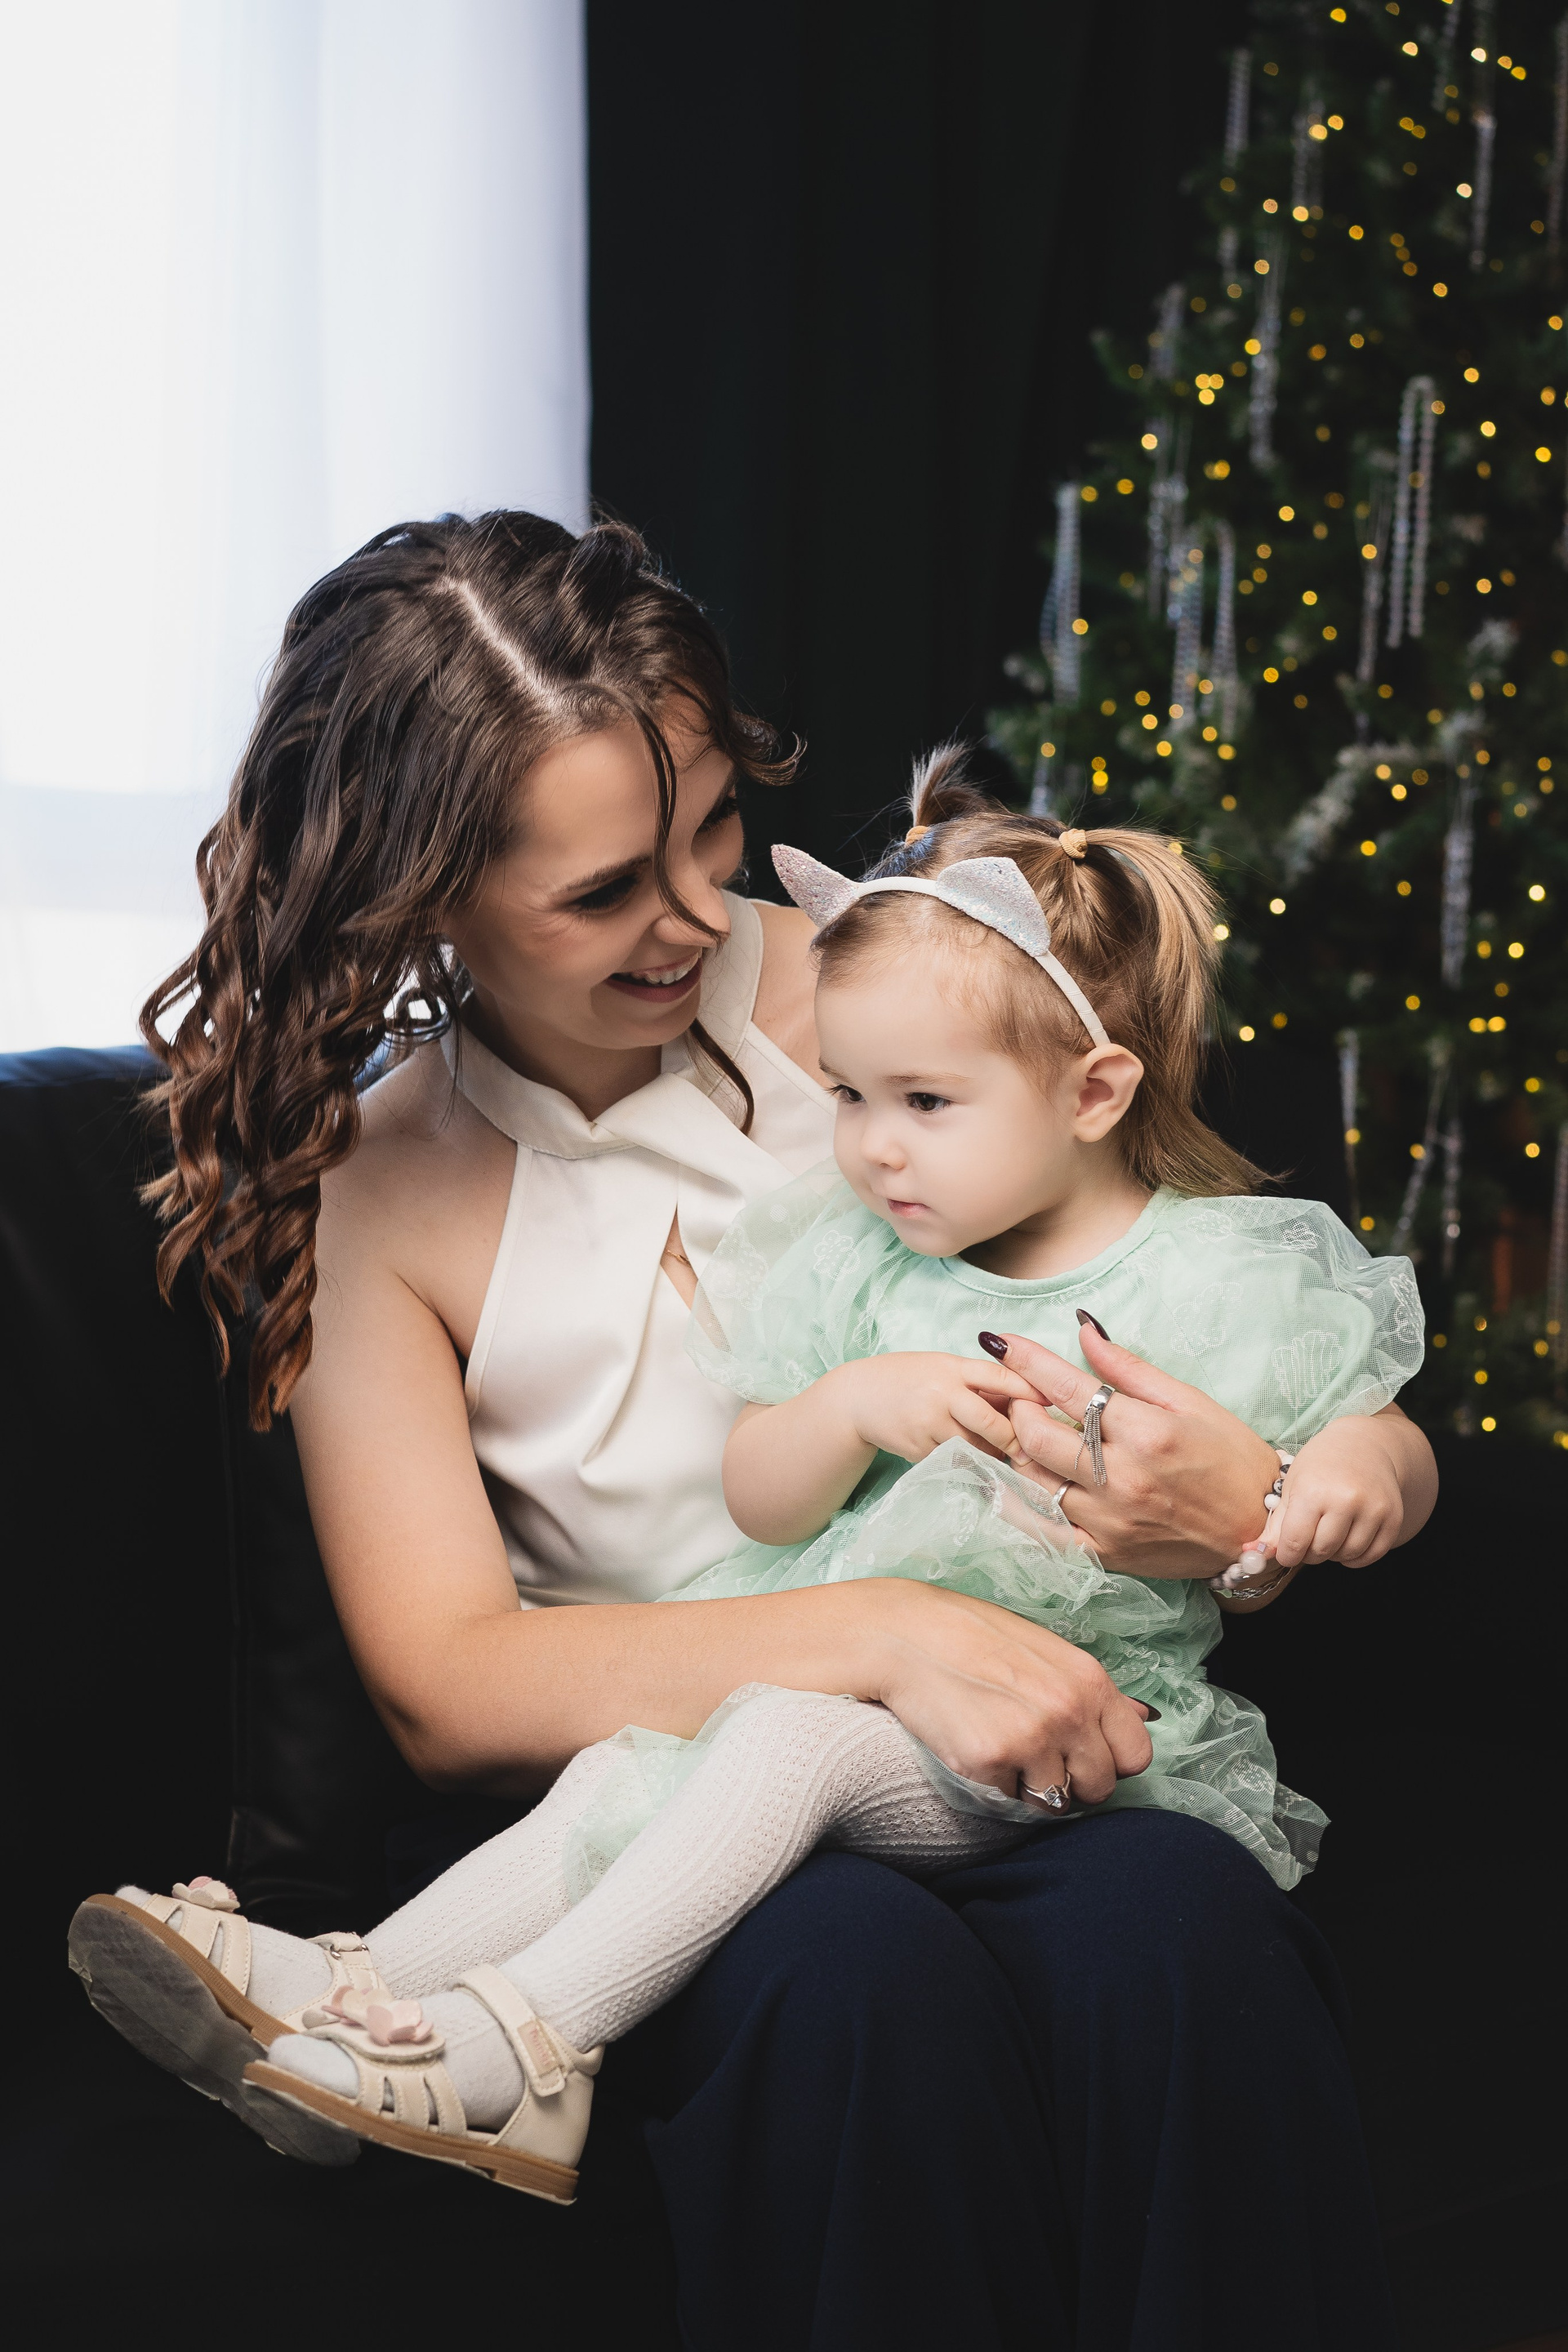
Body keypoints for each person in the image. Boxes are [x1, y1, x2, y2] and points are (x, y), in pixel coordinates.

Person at [69, 513, 1432, 2348]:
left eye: (712, 828)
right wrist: (879, 1634)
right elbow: (449, 1685)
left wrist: (1251, 1507)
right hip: (665, 1787)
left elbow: (1199, 1301)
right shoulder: (375, 1193)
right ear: (420, 896)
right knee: (850, 1984)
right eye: (604, 892)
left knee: (1180, 1931)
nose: (699, 916)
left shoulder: (908, 997)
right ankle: (420, 2015)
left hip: (1033, 1715)